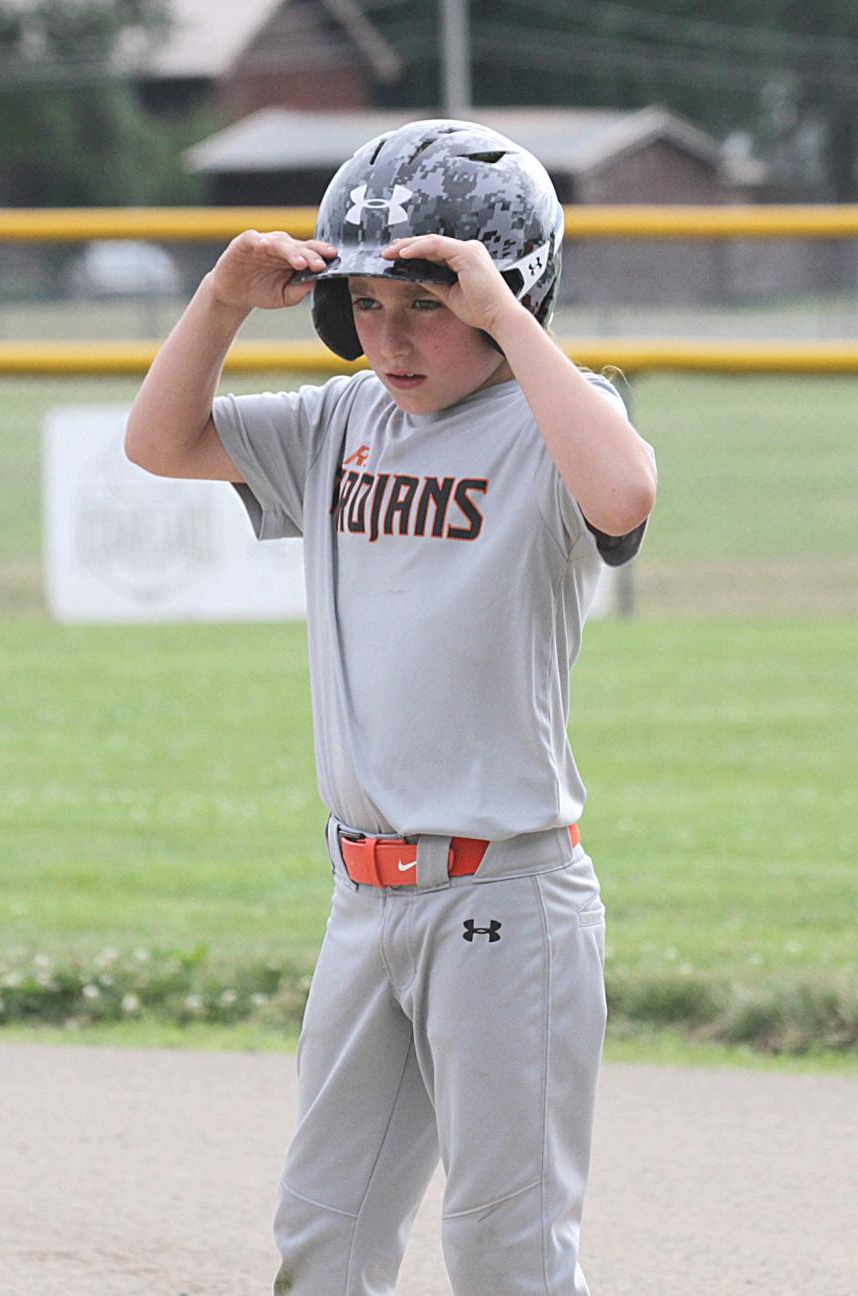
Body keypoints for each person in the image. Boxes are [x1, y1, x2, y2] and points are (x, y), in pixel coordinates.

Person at [125, 118, 657, 1296]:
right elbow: (160, 443)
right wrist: (218, 300)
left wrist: (507, 315)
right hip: (363, 902)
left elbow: (623, 491)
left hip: (506, 898)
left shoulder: (550, 421)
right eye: (368, 306)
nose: (391, 337)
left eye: (426, 302)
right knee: (325, 1234)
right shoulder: (339, 424)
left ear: (499, 293)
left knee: (506, 1253)